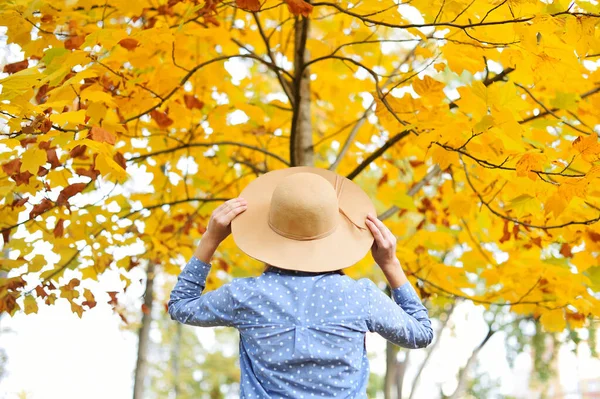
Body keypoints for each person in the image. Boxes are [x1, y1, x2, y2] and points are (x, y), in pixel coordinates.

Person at [168, 167, 433, 398]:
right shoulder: (359, 296)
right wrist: (390, 264)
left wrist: (210, 239)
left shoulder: (246, 295)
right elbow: (421, 333)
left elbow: (181, 305)